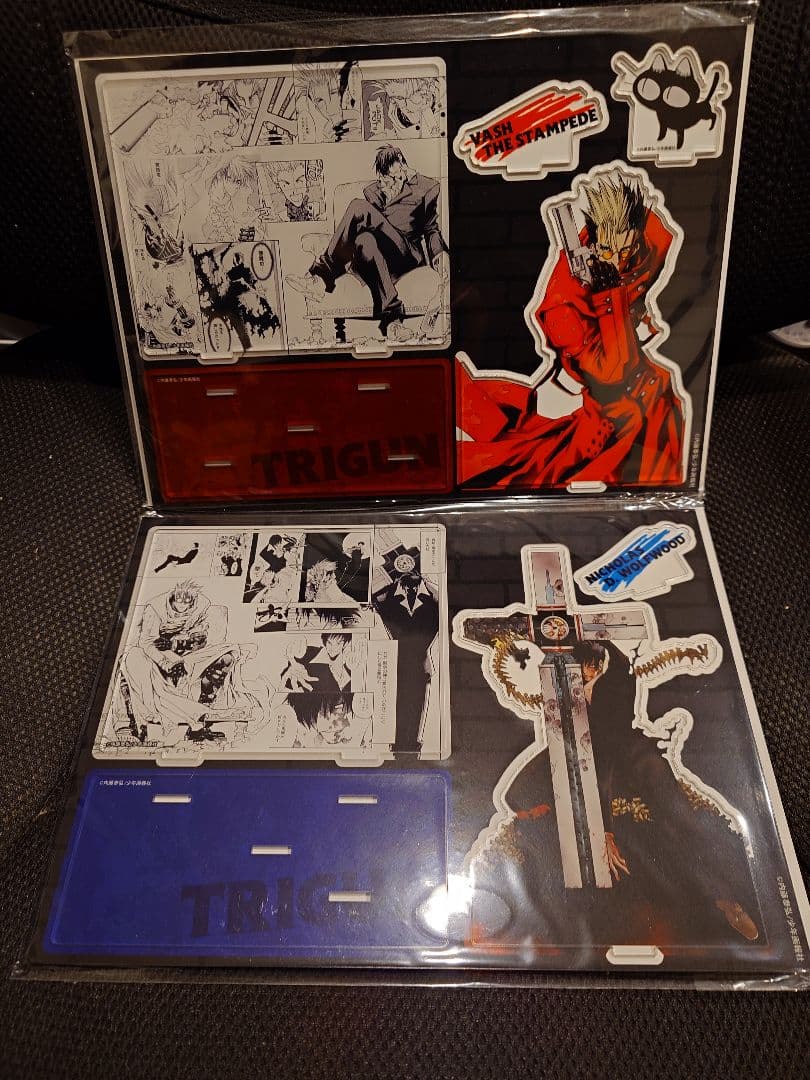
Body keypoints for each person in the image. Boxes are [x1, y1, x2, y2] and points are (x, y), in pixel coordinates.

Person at [458, 172, 684, 487]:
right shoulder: (564, 308)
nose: (618, 262)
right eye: (608, 252)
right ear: (594, 243)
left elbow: (658, 239)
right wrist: (611, 299)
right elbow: (611, 372)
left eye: (626, 252)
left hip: (637, 391)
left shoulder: (641, 249)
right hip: (591, 407)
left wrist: (631, 308)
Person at [286, 144, 448, 337]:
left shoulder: (427, 187)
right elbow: (370, 228)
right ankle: (393, 321)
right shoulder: (375, 190)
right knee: (365, 240)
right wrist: (386, 195)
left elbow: (431, 228)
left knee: (358, 207)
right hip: (377, 258)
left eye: (392, 175)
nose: (388, 181)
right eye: (384, 176)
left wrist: (439, 254)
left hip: (406, 254)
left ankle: (321, 276)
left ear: (402, 163)